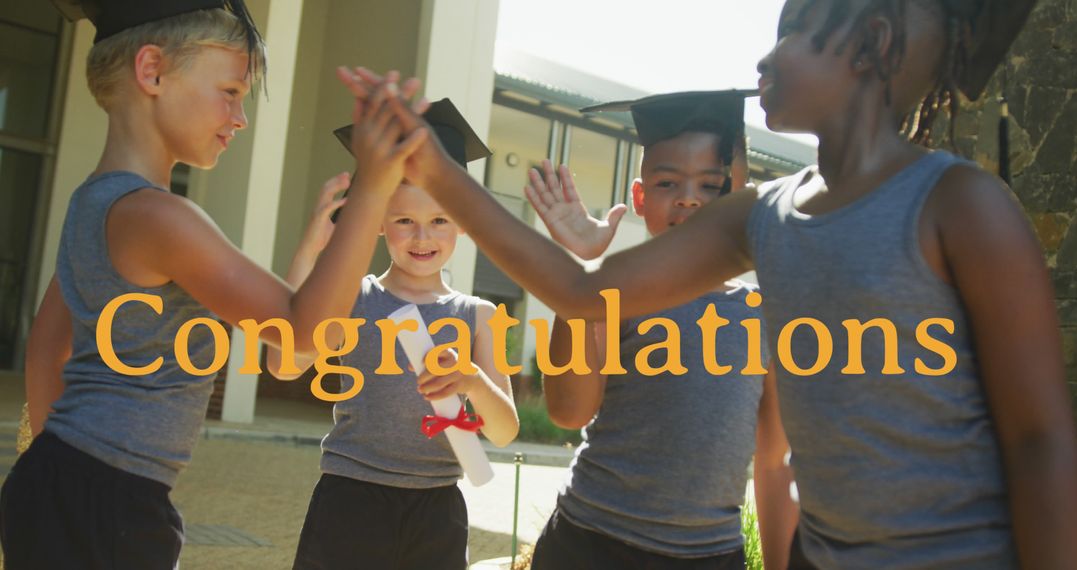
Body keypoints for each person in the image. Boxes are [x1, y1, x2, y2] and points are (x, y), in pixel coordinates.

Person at [339, 0, 1077, 566]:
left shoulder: (960, 207)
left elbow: (1041, 438)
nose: (765, 56)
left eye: (792, 30)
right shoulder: (762, 214)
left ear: (872, 44)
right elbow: (582, 291)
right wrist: (433, 170)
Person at [0, 0, 427, 566]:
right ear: (151, 71)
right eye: (230, 91)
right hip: (109, 498)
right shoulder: (160, 217)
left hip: (65, 481)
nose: (239, 117)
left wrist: (56, 471)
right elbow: (302, 334)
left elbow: (44, 350)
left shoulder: (93, 201)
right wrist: (374, 187)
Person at [524, 91, 797, 570]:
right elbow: (569, 411)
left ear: (743, 198)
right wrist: (582, 278)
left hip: (709, 556)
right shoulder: (616, 294)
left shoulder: (767, 316)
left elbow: (773, 463)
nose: (690, 197)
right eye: (668, 182)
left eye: (713, 185)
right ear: (640, 196)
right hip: (591, 543)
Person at [267, 99, 519, 570]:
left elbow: (504, 431)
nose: (422, 236)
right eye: (404, 220)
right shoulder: (354, 298)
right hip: (351, 497)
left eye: (440, 220)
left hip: (437, 507)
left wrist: (470, 381)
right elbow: (285, 364)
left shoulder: (477, 315)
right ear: (378, 222)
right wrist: (311, 249)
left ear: (462, 223)